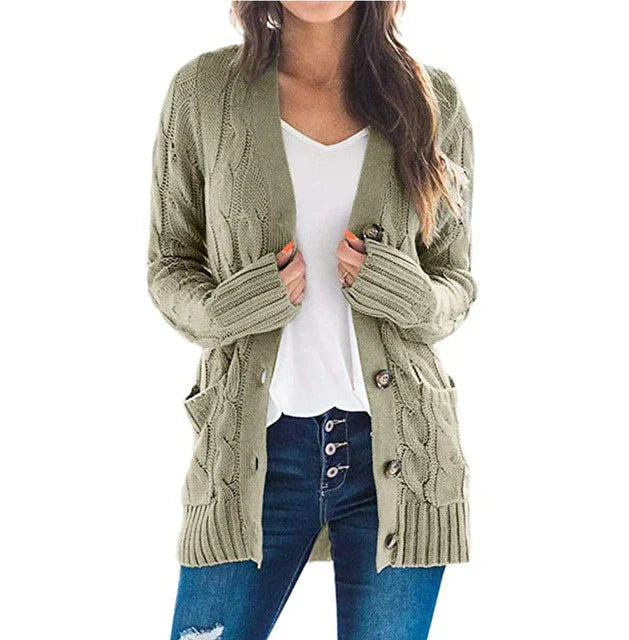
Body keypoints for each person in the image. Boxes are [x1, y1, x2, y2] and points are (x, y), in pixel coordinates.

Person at [147, 2, 476, 638]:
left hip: (399, 456)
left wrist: (406, 294)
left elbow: (455, 282)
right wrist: (232, 307)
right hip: (253, 452)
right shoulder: (203, 93)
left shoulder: (434, 100)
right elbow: (169, 265)